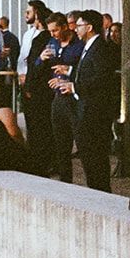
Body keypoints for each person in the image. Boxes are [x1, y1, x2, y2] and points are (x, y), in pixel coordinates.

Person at [54, 10, 120, 192]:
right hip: (86, 109)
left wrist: (74, 87)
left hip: (95, 111)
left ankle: (101, 192)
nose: (75, 29)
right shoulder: (89, 45)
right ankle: (96, 189)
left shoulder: (100, 47)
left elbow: (101, 78)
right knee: (90, 157)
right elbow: (88, 71)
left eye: (79, 25)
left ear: (89, 27)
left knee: (95, 157)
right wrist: (68, 73)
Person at [42, 12, 86, 181]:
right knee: (60, 144)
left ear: (65, 27)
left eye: (55, 31)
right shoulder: (52, 43)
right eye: (50, 31)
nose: (53, 34)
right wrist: (41, 59)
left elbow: (84, 71)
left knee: (81, 142)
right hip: (58, 97)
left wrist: (68, 71)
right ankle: (65, 180)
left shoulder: (78, 44)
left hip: (75, 98)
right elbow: (43, 66)